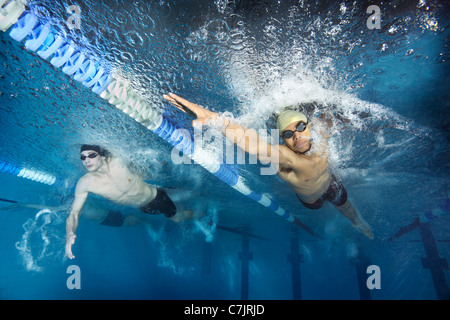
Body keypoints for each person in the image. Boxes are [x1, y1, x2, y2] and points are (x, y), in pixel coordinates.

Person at [163, 93, 373, 239]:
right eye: (288, 134)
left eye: (300, 127)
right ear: (283, 139)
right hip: (310, 200)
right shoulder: (289, 157)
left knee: (345, 206)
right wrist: (213, 119)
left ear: (309, 125)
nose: (297, 136)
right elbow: (253, 144)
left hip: (330, 184)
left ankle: (358, 223)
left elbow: (341, 115)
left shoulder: (321, 133)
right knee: (299, 185)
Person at [65, 144, 194, 259]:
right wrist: (70, 233)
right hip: (144, 207)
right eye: (82, 157)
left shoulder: (118, 161)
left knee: (177, 218)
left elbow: (143, 153)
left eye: (91, 155)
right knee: (177, 208)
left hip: (158, 197)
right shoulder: (85, 183)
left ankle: (201, 213)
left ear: (103, 156)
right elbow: (74, 213)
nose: (87, 160)